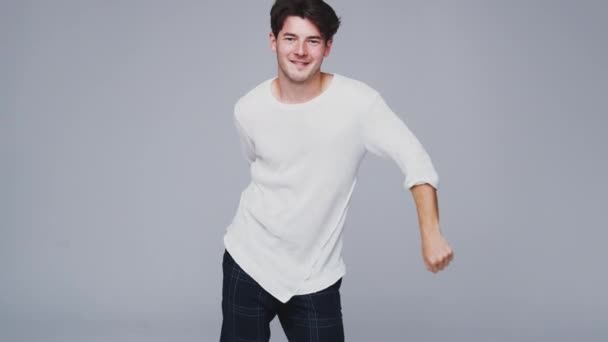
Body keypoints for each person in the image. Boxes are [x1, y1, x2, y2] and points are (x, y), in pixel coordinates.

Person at [220, 0, 454, 341]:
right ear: (273, 41)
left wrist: (431, 232)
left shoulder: (359, 104)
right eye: (290, 38)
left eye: (313, 40)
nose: (300, 51)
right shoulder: (248, 109)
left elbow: (415, 160)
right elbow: (260, 165)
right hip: (249, 260)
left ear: (328, 47)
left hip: (316, 275)